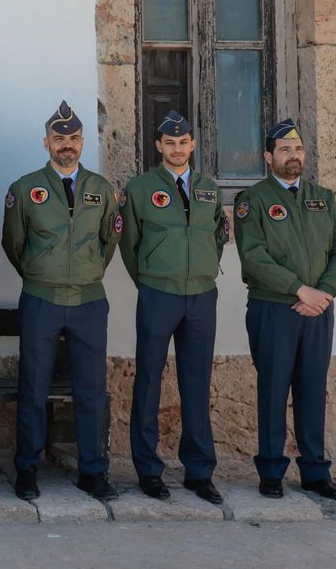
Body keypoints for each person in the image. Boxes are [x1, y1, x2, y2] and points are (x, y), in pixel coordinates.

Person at [3, 101, 121, 502]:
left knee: (90, 389)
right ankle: (27, 469)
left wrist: (85, 272)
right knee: (33, 388)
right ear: (46, 143)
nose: (66, 145)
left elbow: (109, 243)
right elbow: (14, 244)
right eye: (59, 139)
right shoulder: (24, 188)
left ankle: (93, 471)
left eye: (72, 139)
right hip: (41, 299)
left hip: (88, 301)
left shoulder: (102, 190)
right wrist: (41, 272)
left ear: (82, 142)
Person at [235, 119, 336, 501]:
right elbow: (253, 257)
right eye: (285, 150)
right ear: (269, 157)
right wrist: (299, 289)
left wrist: (325, 293)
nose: (293, 156)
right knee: (273, 387)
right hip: (274, 309)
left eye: (298, 149)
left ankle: (315, 472)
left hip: (318, 310)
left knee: (312, 388)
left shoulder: (325, 198)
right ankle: (271, 470)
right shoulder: (252, 200)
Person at [118, 111, 229, 505]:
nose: (177, 148)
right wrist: (150, 278)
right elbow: (129, 244)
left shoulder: (208, 189)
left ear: (193, 146)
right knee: (148, 379)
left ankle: (199, 471)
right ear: (158, 146)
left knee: (196, 382)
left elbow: (217, 236)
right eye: (170, 143)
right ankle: (148, 470)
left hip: (201, 295)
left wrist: (199, 271)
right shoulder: (140, 188)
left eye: (183, 142)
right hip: (157, 294)